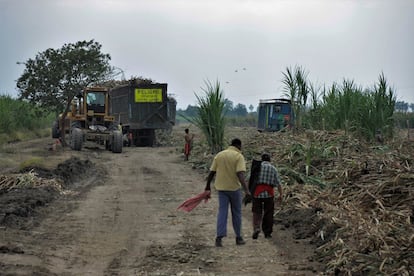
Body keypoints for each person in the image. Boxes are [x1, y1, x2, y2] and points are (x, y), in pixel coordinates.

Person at [204, 138, 252, 247]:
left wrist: (207, 187)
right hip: (234, 189)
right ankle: (238, 237)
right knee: (237, 213)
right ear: (239, 146)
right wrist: (247, 190)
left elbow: (212, 172)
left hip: (221, 189)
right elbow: (240, 174)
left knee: (222, 212)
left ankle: (219, 238)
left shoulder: (220, 155)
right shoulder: (238, 156)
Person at [251, 153, 282, 239]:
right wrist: (281, 194)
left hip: (257, 192)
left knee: (257, 212)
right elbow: (278, 183)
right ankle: (267, 232)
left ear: (262, 160)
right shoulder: (273, 169)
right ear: (269, 160)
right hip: (269, 193)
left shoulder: (257, 167)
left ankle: (256, 228)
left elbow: (251, 180)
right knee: (268, 213)